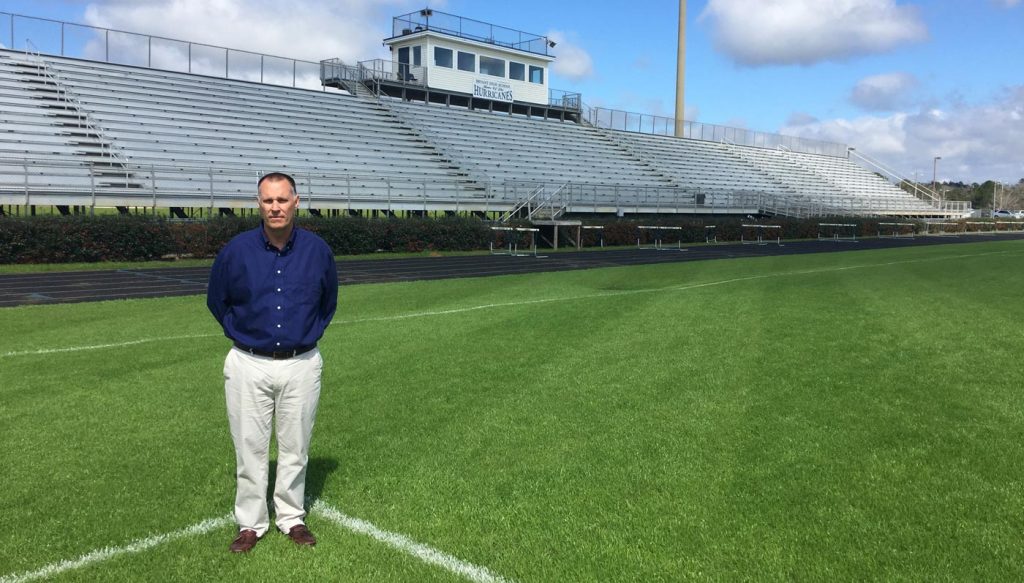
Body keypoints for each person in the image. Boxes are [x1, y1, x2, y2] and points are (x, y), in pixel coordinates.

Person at [207, 171, 338, 553]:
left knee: (296, 446)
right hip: (249, 362)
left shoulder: (317, 251)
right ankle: (250, 523)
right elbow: (218, 300)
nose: (275, 207)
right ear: (258, 204)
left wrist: (305, 335)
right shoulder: (236, 250)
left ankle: (291, 516)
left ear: (296, 202)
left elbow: (327, 302)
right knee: (249, 447)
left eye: (282, 200)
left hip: (301, 362)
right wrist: (245, 335)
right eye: (268, 201)